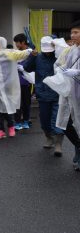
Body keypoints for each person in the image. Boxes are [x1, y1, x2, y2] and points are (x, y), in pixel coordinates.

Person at [22, 36, 64, 156]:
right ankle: (49, 138)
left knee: (57, 120)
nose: (48, 53)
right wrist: (32, 56)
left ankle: (58, 144)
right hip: (43, 93)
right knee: (44, 120)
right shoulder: (37, 57)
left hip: (58, 93)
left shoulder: (59, 56)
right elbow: (26, 68)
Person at [54, 19, 80, 170]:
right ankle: (78, 146)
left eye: (76, 32)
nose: (73, 35)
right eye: (72, 32)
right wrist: (60, 69)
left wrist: (77, 72)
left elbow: (74, 70)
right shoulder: (71, 50)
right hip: (70, 93)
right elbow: (62, 64)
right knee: (65, 124)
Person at [13, 33, 33, 130]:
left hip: (27, 82)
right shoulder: (16, 53)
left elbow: (33, 66)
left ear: (23, 42)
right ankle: (17, 122)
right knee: (17, 103)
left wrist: (24, 68)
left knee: (26, 103)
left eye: (17, 42)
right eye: (15, 42)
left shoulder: (31, 53)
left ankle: (26, 121)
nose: (16, 44)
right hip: (16, 82)